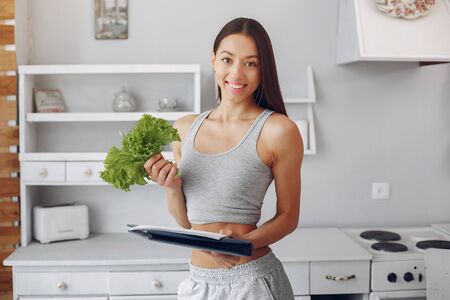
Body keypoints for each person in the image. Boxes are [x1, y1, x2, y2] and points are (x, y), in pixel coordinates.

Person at [144, 17, 303, 300]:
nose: (237, 73)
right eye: (228, 60)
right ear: (214, 60)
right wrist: (170, 187)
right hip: (198, 282)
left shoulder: (278, 130)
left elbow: (288, 217)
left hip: (251, 282)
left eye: (250, 63)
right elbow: (186, 223)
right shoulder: (183, 128)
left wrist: (242, 245)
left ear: (263, 69)